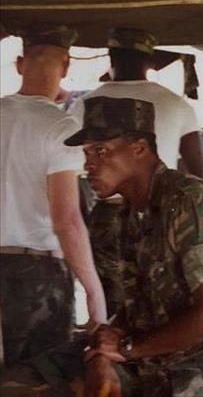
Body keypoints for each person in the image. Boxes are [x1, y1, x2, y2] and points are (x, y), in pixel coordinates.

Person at [0, 96, 203, 395]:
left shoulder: (191, 202)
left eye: (101, 151)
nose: (89, 165)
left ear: (139, 149)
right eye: (86, 153)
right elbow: (132, 307)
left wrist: (125, 349)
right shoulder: (129, 213)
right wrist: (102, 354)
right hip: (150, 354)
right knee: (18, 384)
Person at [70, 27, 203, 317]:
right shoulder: (176, 104)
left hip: (107, 213)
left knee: (110, 304)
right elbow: (199, 172)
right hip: (165, 211)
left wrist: (83, 218)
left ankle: (114, 355)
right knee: (163, 300)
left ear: (111, 56)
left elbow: (71, 173)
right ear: (150, 60)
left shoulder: (85, 104)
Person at [0, 25, 107, 366]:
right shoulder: (62, 129)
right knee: (41, 378)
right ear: (66, 68)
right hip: (38, 274)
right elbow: (67, 220)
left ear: (20, 65)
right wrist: (93, 290)